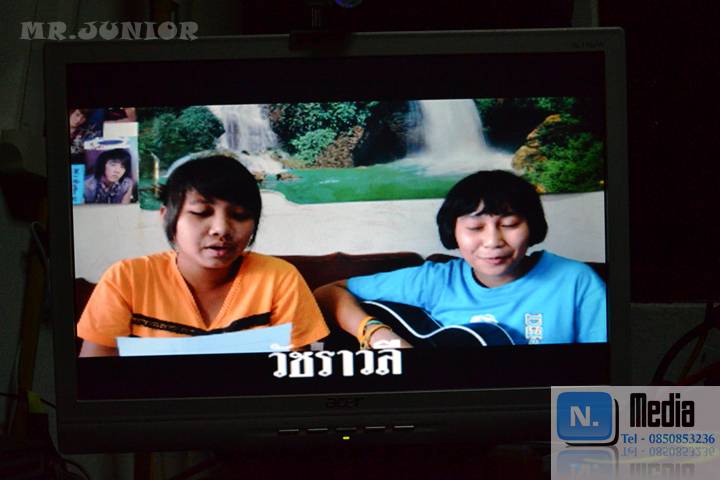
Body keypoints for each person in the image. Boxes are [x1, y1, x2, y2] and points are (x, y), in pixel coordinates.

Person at [314, 170, 607, 349]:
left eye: (509, 224)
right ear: (453, 232)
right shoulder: (434, 280)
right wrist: (378, 335)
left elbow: (606, 373)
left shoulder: (576, 281)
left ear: (533, 226)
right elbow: (328, 292)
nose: (493, 241)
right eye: (475, 228)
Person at [78, 154, 329, 356]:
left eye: (240, 215)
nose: (221, 229)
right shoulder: (126, 279)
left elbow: (293, 374)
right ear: (167, 217)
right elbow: (95, 381)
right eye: (201, 212)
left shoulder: (280, 278)